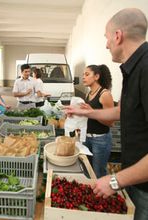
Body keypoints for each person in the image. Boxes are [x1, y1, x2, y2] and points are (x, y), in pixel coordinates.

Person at [65, 8, 148, 220]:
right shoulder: (134, 68)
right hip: (135, 179)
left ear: (118, 35)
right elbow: (122, 111)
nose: (106, 44)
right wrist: (85, 113)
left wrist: (114, 181)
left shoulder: (146, 68)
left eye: (107, 38)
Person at [82, 64, 114, 178]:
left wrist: (91, 112)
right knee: (87, 170)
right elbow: (88, 115)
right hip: (86, 138)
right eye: (83, 75)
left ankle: (100, 196)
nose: (83, 77)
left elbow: (110, 122)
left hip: (100, 140)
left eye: (87, 74)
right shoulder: (88, 94)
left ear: (96, 76)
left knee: (98, 172)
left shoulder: (104, 94)